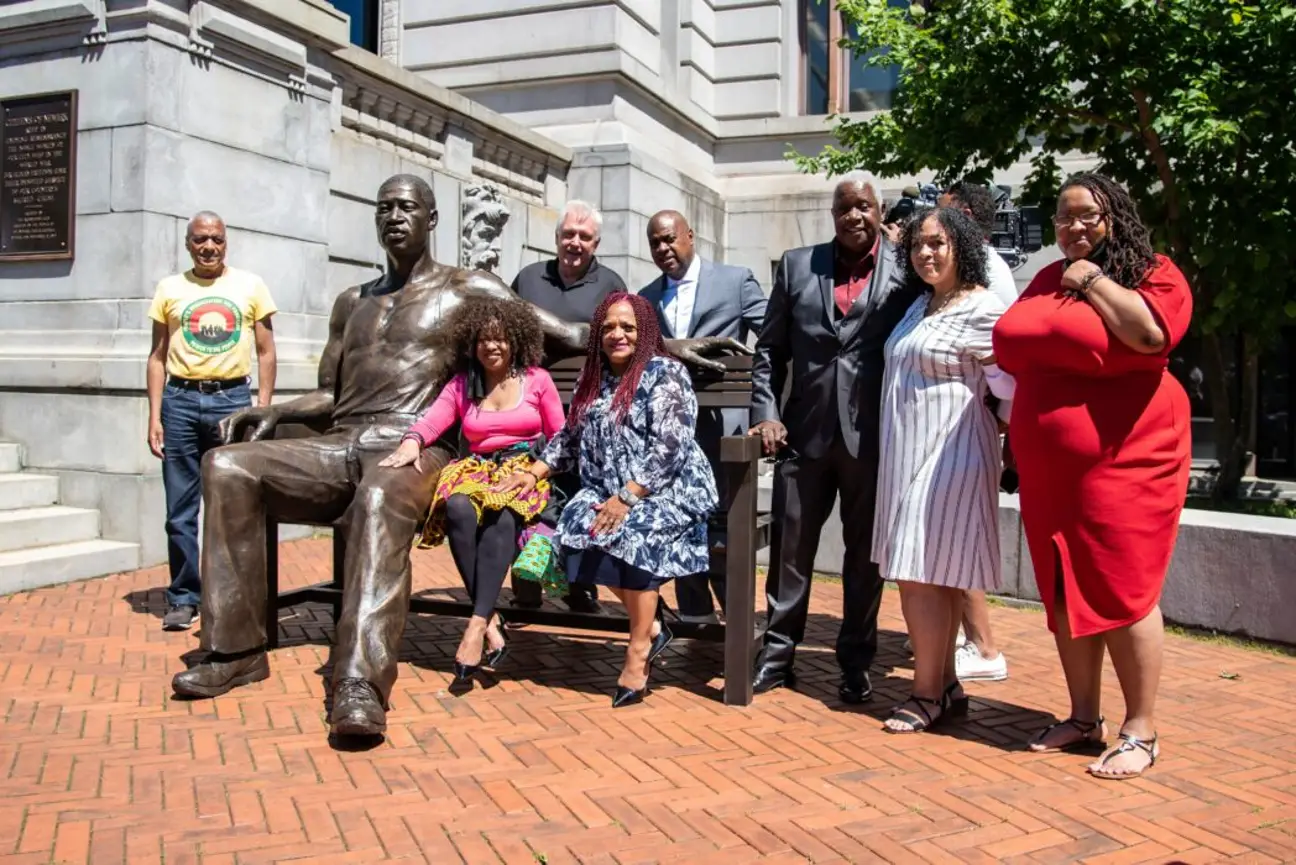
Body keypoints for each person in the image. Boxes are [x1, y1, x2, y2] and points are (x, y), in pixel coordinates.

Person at [169, 174, 743, 738]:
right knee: (229, 466)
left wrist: (665, 345)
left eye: (406, 207)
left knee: (378, 495)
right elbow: (331, 393)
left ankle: (359, 683)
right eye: (385, 207)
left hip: (417, 446)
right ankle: (235, 650)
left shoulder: (467, 288)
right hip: (341, 439)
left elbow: (569, 333)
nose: (394, 216)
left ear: (432, 220)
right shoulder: (353, 303)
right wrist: (276, 412)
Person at [993, 172, 1193, 780]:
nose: (1073, 227)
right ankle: (1084, 717)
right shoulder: (1047, 278)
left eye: (1087, 215)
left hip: (1127, 456)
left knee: (1122, 587)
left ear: (1116, 217)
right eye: (1062, 217)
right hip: (1050, 466)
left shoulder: (1154, 271)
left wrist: (1095, 280)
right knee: (1060, 584)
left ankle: (1141, 728)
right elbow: (1014, 349)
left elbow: (1150, 333)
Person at [495, 293, 718, 707]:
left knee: (627, 535)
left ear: (645, 332)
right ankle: (652, 626)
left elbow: (670, 448)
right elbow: (569, 438)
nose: (618, 334)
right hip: (604, 490)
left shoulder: (666, 373)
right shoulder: (591, 377)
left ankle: (637, 651)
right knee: (577, 532)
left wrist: (628, 497)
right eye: (610, 327)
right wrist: (534, 472)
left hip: (667, 489)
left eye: (628, 327)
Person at [748, 175, 919, 703]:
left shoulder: (906, 270)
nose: (854, 216)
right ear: (833, 212)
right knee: (789, 551)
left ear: (879, 210)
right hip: (803, 435)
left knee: (864, 558)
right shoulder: (799, 265)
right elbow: (770, 351)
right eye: (845, 207)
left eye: (864, 206)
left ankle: (856, 661)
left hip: (872, 439)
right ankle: (778, 654)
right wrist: (767, 412)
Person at [872, 208, 1014, 733]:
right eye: (916, 246)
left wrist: (995, 436)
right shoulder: (920, 304)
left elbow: (1009, 389)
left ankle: (926, 693)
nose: (926, 253)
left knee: (920, 572)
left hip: (951, 452)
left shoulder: (984, 308)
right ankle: (947, 686)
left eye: (938, 243)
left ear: (962, 247)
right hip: (907, 451)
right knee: (934, 572)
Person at [378, 296, 564, 690]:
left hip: (525, 471)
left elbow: (563, 438)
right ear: (472, 343)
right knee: (458, 508)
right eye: (483, 340)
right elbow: (432, 421)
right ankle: (489, 620)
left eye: (499, 339)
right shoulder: (464, 383)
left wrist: (535, 473)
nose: (491, 347)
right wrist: (412, 442)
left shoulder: (537, 380)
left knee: (501, 513)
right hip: (477, 469)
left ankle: (475, 624)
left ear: (514, 340)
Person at [145, 211, 277, 632]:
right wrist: (154, 415)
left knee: (234, 504)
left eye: (216, 239)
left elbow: (267, 351)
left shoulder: (250, 286)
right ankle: (184, 596)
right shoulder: (170, 289)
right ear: (188, 243)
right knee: (180, 509)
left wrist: (263, 408)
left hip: (232, 400)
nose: (208, 247)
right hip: (180, 401)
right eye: (200, 239)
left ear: (226, 242)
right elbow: (157, 357)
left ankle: (232, 593)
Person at [639, 209, 767, 624]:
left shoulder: (735, 281)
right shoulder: (645, 297)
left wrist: (765, 411)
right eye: (655, 243)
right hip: (670, 434)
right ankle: (695, 619)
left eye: (669, 238)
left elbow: (772, 340)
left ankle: (739, 622)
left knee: (722, 530)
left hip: (723, 429)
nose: (663, 248)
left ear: (690, 236)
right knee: (678, 520)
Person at [509, 200, 627, 614]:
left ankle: (580, 585)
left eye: (584, 237)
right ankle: (525, 579)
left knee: (582, 495)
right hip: (530, 408)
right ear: (557, 237)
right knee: (526, 487)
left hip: (586, 412)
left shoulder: (610, 284)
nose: (574, 243)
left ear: (596, 243)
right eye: (568, 235)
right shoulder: (527, 279)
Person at [934, 179, 1022, 682]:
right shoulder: (982, 265)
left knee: (960, 535)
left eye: (943, 215)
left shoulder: (988, 270)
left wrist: (1002, 423)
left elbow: (999, 353)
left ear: (963, 214)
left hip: (974, 422)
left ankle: (984, 647)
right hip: (974, 419)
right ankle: (972, 642)